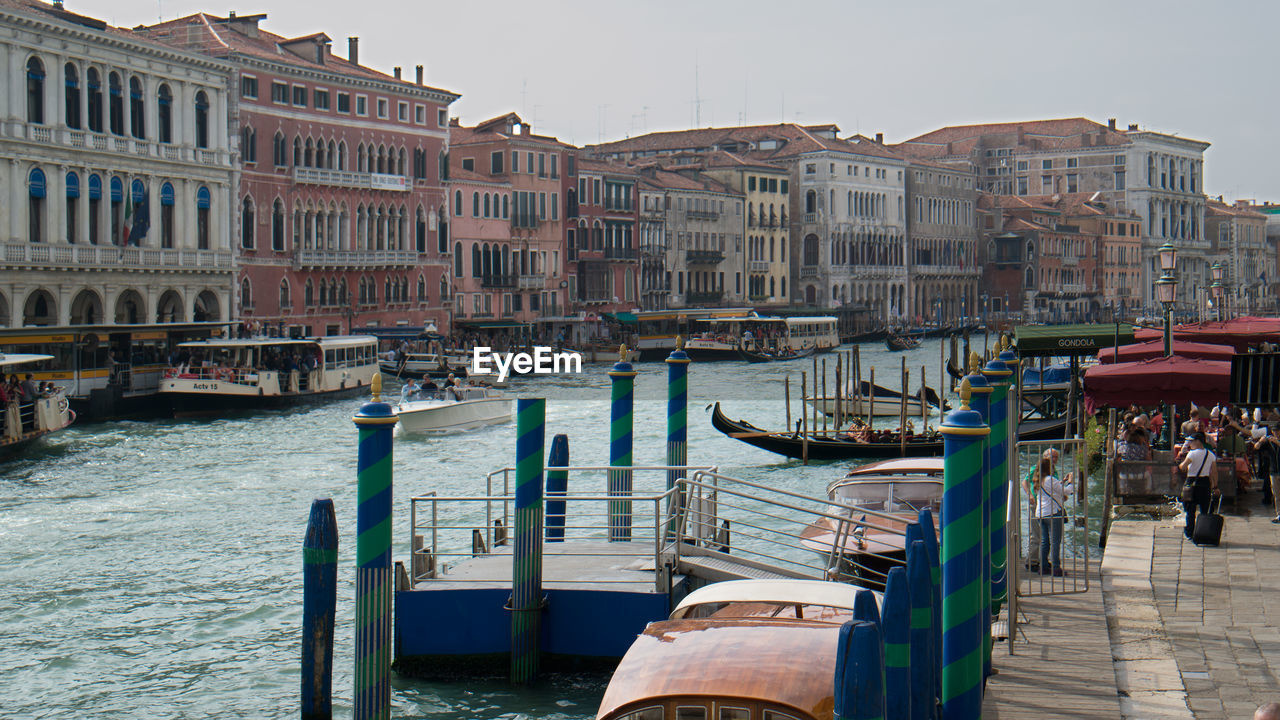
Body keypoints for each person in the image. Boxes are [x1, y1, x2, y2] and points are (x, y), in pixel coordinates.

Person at [1032, 456, 1074, 576]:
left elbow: (1051, 489)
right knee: (1055, 541)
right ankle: (1056, 568)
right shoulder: (1050, 479)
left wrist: (1063, 481)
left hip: (1040, 513)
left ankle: (1043, 566)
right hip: (1053, 513)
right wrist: (1070, 482)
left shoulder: (1038, 480)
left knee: (1045, 541)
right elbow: (1066, 491)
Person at [1178, 432, 1218, 540]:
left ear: (1198, 441)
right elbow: (1214, 472)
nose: (1189, 443)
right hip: (1205, 483)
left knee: (1190, 510)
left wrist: (1181, 464)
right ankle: (1203, 531)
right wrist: (1215, 486)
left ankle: (1190, 533)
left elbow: (1183, 467)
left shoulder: (1192, 454)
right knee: (1204, 509)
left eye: (1191, 441)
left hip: (1192, 482)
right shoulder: (1210, 454)